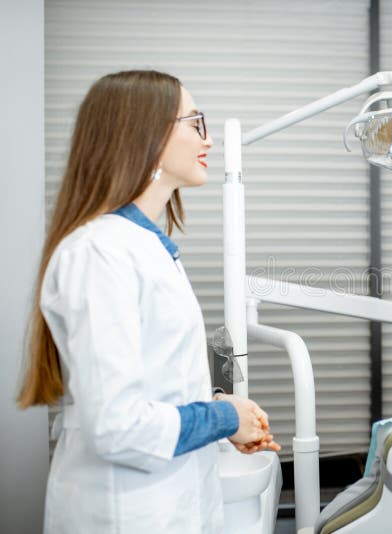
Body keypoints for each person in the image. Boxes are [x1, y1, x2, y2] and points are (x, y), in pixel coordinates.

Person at [17, 70, 280, 533]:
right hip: (125, 512)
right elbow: (118, 426)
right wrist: (223, 417)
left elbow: (153, 382)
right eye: (195, 122)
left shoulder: (145, 246)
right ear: (147, 132)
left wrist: (219, 406)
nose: (209, 140)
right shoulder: (99, 251)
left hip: (167, 503)